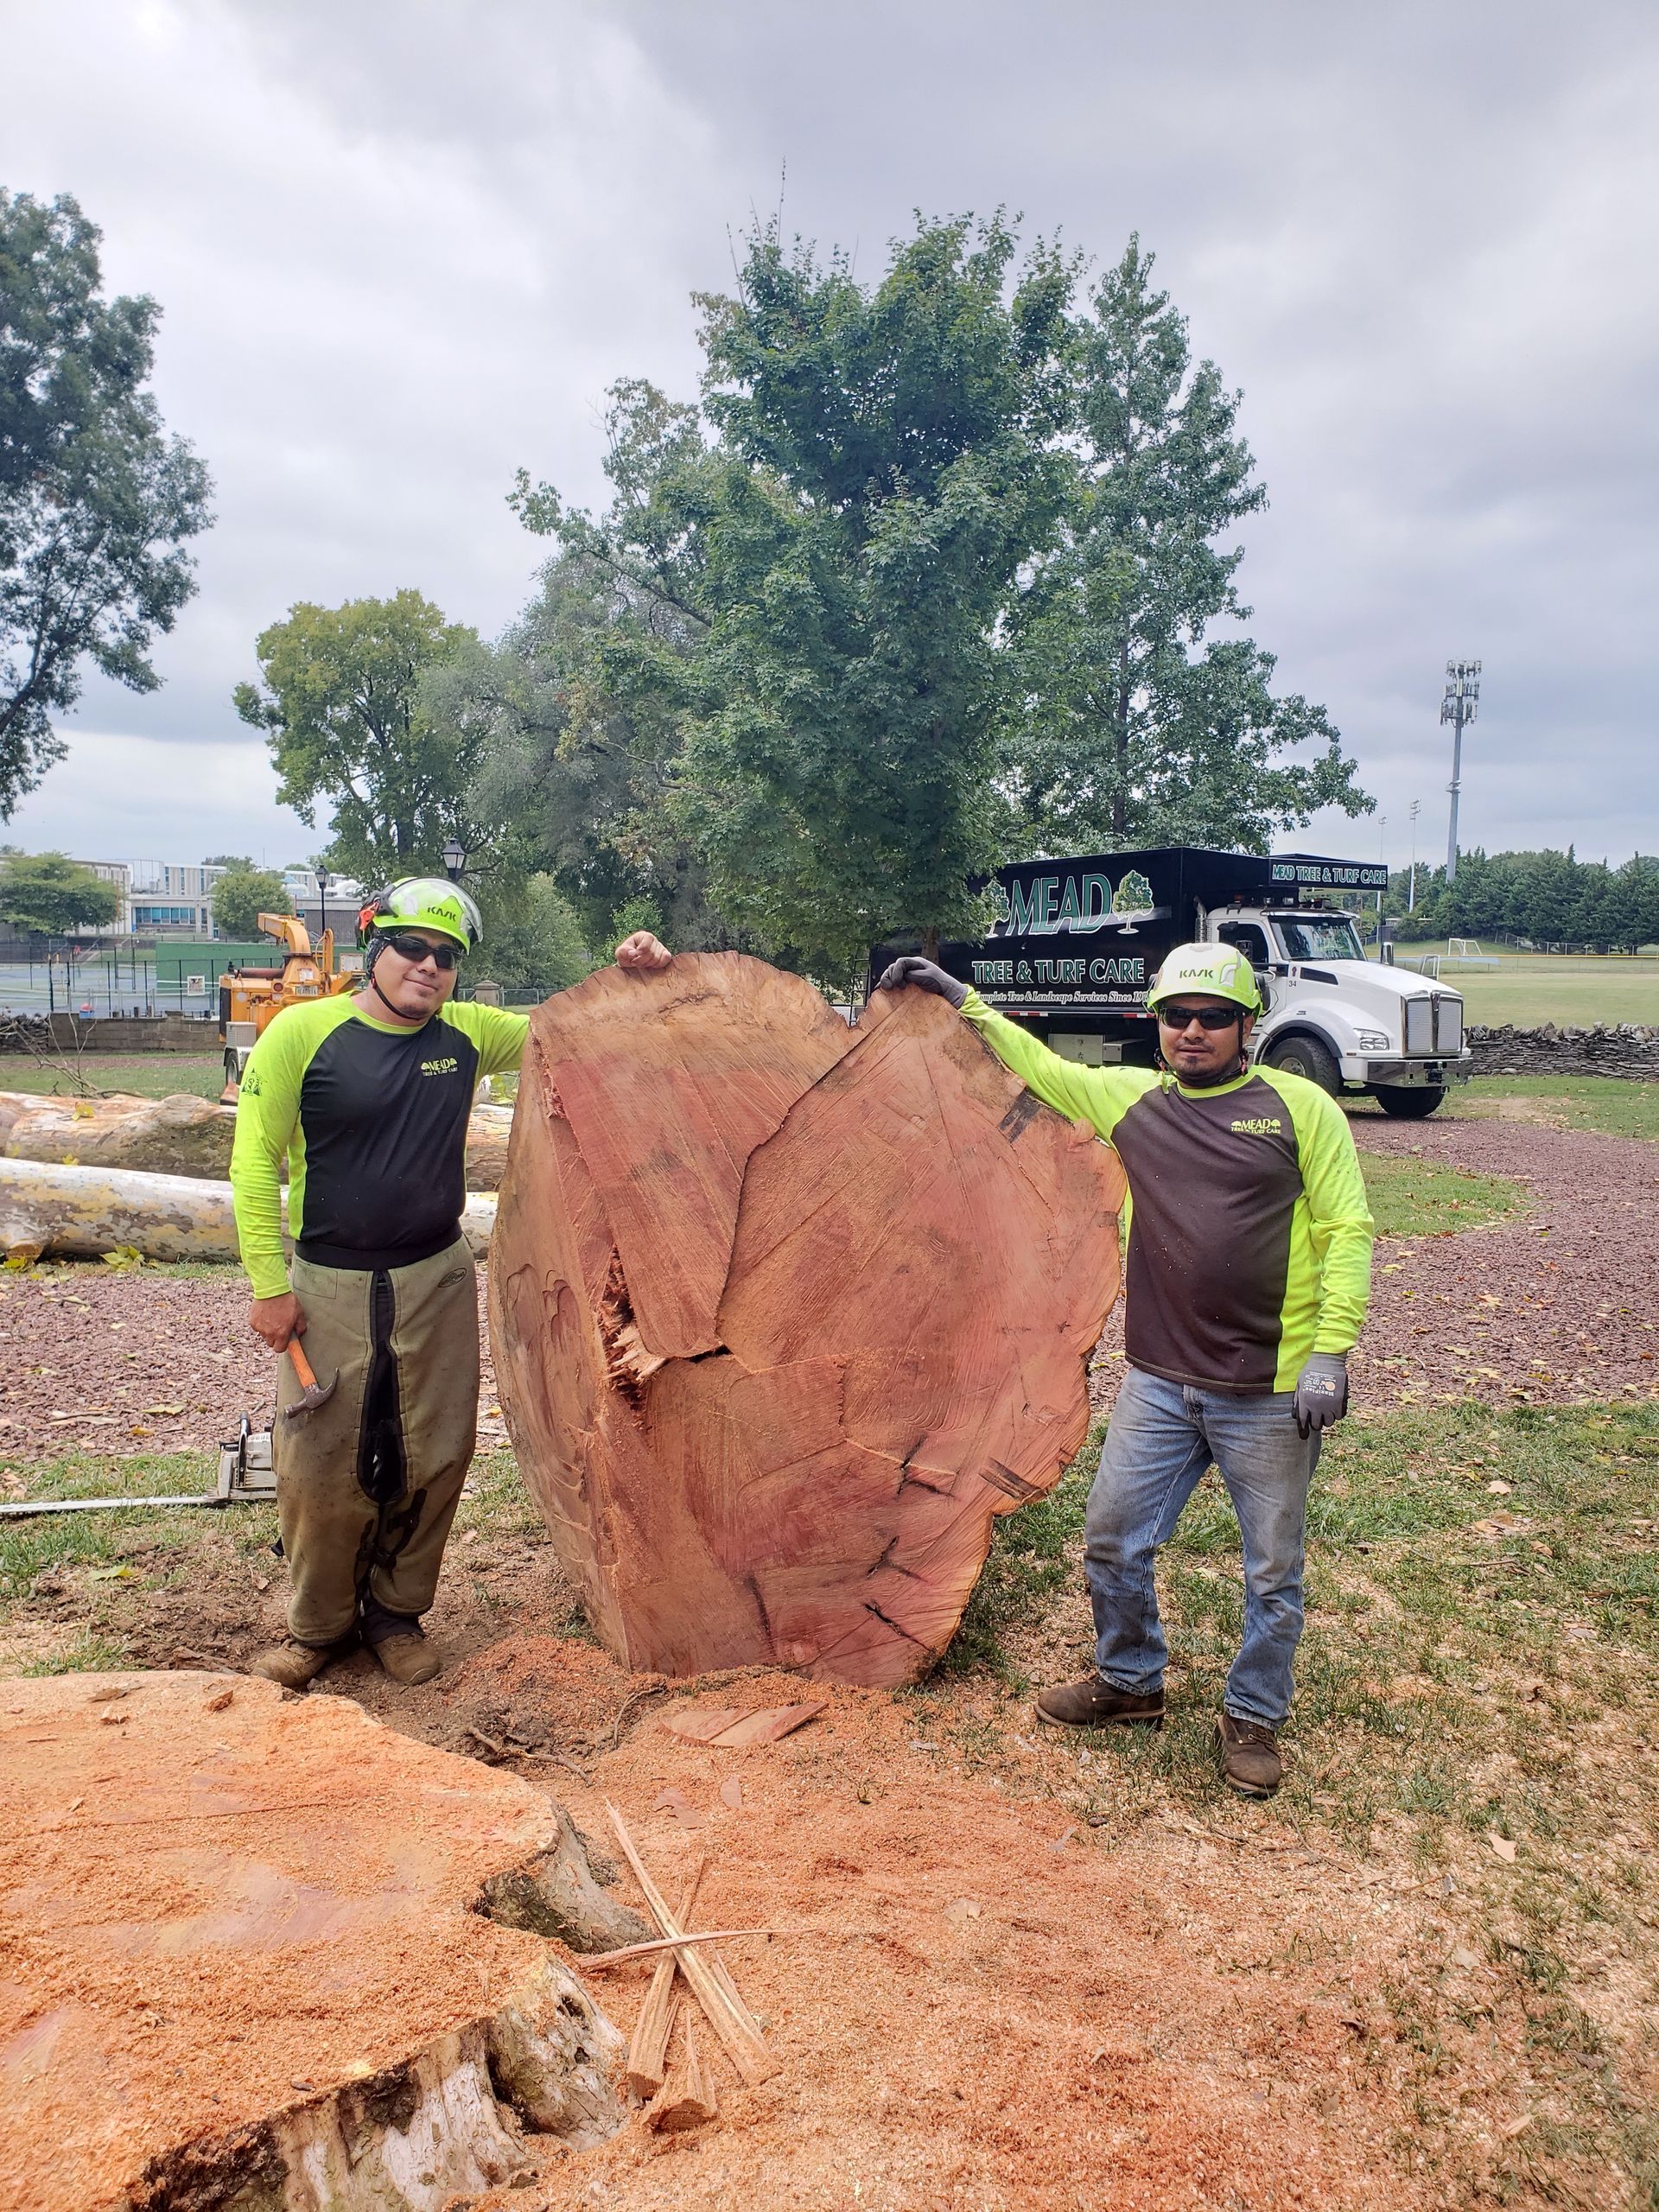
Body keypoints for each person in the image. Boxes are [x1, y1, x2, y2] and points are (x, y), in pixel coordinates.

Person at [879, 943, 1374, 1797]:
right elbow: (1038, 1063)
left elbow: (1346, 1230)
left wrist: (1331, 1349)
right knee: (1112, 1537)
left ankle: (1253, 1713)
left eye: (1214, 1016)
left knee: (1271, 1568)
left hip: (1270, 1389)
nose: (1193, 1031)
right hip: (1160, 1384)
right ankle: (1131, 1682)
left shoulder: (1302, 1108)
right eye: (1177, 1015)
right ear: (1156, 1024)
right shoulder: (1134, 1103)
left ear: (1247, 1025)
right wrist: (964, 998)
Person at [230, 877, 671, 1689]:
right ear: (376, 949)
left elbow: (570, 1028)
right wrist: (268, 1281)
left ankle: (396, 1615)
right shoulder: (302, 1032)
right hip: (328, 1280)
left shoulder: (467, 1035)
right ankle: (319, 1626)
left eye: (446, 957)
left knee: (434, 1451)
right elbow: (255, 1161)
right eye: (412, 948)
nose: (428, 967)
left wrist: (631, 966)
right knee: (319, 1460)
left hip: (435, 1276)